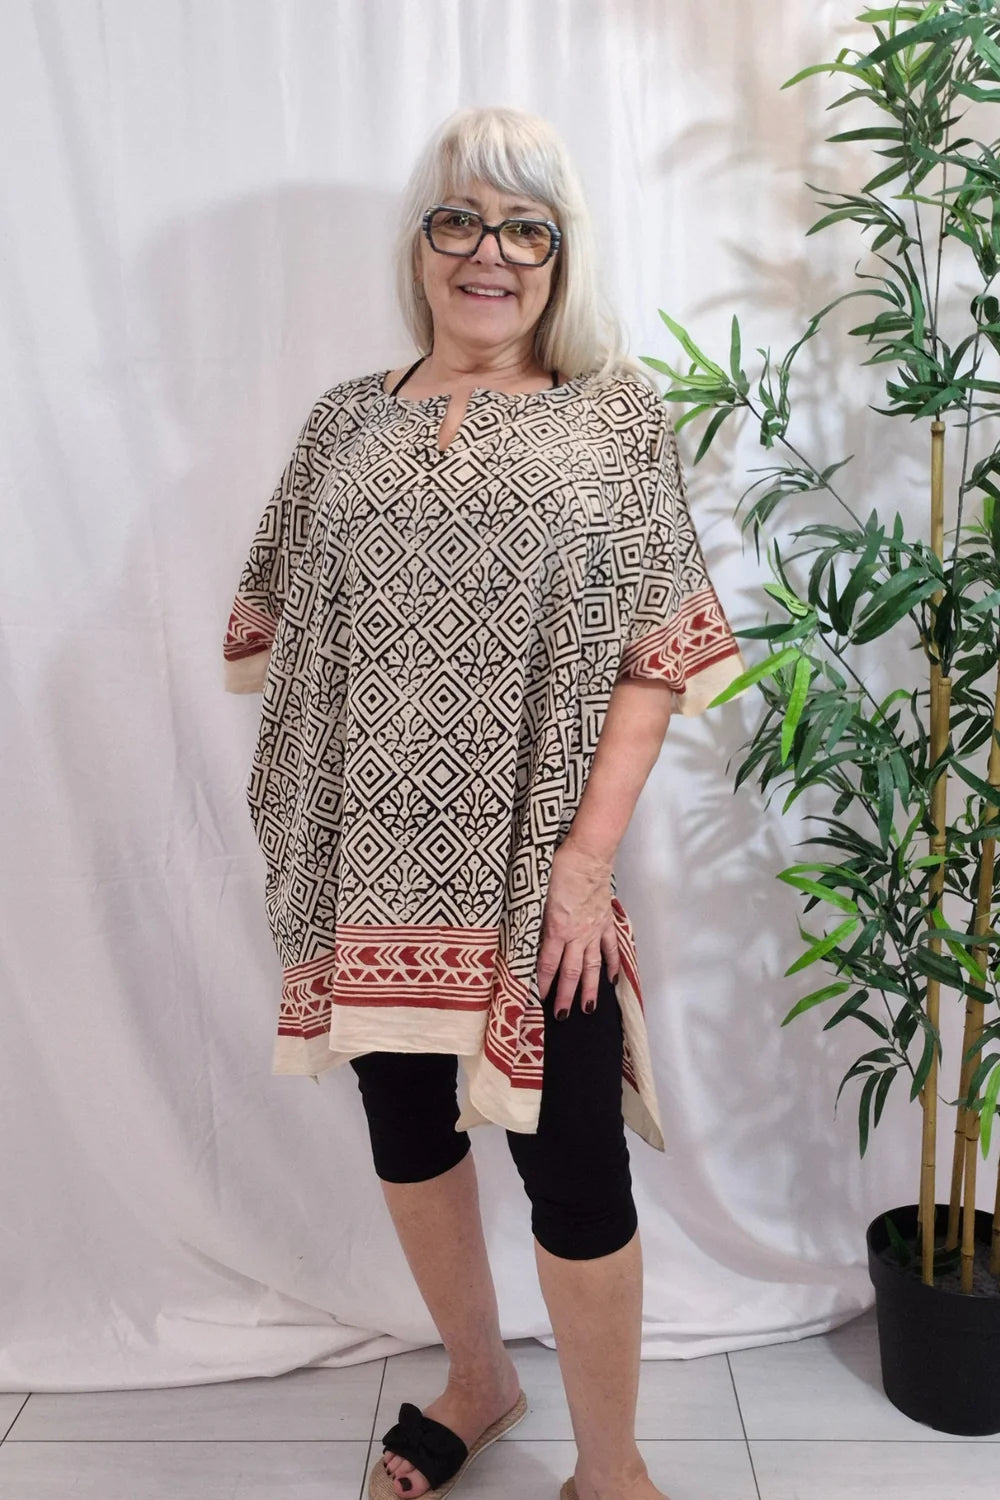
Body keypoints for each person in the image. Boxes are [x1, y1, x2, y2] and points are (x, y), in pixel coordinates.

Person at [223, 106, 745, 1500]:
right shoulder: (345, 421)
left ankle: (611, 1468)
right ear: (420, 245)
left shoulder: (614, 415)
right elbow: (289, 632)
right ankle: (477, 1378)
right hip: (367, 867)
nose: (490, 254)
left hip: (534, 873)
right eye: (458, 220)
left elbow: (655, 657)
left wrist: (587, 864)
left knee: (574, 1166)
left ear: (563, 257)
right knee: (406, 1130)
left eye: (527, 228)